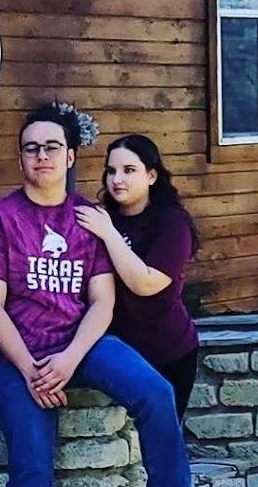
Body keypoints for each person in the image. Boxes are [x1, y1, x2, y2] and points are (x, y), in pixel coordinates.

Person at [0, 102, 212, 487]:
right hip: (17, 357)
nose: (41, 156)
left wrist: (71, 358)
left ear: (71, 155)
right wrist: (32, 369)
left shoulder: (86, 220)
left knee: (155, 390)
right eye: (31, 148)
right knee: (32, 467)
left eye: (52, 146)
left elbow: (101, 302)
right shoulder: (0, 220)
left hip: (79, 344)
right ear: (21, 158)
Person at [75, 134, 201, 420]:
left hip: (167, 352)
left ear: (151, 175)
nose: (117, 179)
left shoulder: (171, 223)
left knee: (161, 443)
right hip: (115, 353)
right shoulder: (102, 218)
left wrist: (108, 233)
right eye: (110, 171)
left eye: (129, 170)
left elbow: (145, 283)